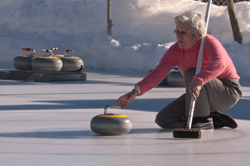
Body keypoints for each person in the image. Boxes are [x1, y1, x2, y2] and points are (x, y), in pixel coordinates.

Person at [116, 11, 242, 130]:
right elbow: (158, 73)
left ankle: (203, 121)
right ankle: (215, 119)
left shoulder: (208, 42)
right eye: (177, 31)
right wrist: (136, 91)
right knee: (164, 119)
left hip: (227, 91)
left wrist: (199, 80)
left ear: (197, 35)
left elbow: (220, 63)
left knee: (191, 73)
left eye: (183, 32)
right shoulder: (176, 50)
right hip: (200, 94)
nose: (178, 36)